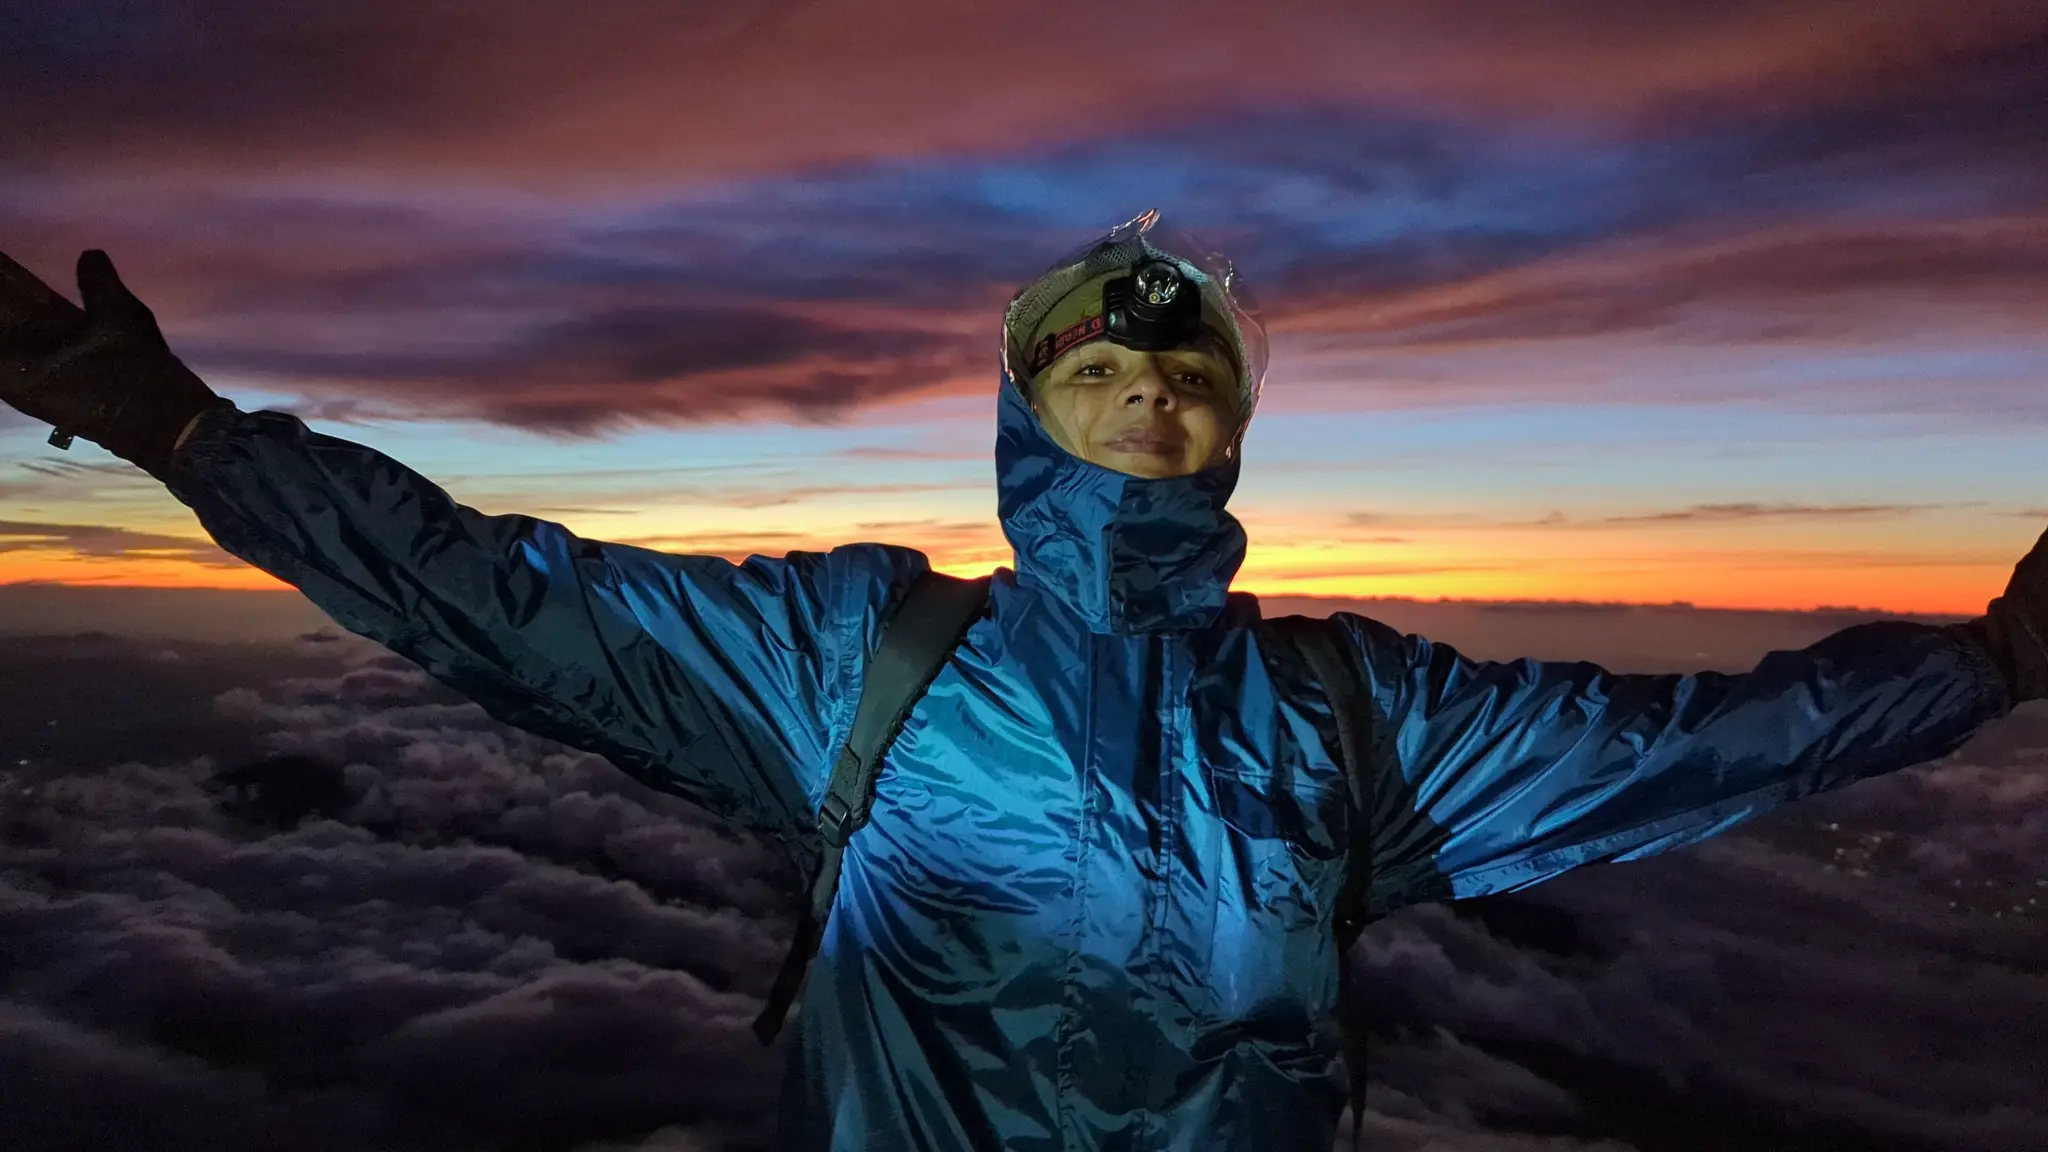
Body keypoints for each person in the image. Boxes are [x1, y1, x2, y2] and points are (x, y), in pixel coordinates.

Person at [1, 211, 2043, 1152]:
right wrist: (184, 430)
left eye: (1182, 373)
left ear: (1226, 432)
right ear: (1026, 417)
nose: (1146, 388)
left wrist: (1992, 664)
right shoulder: (860, 662)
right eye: (1096, 365)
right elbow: (492, 597)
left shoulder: (1357, 714)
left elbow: (1705, 741)